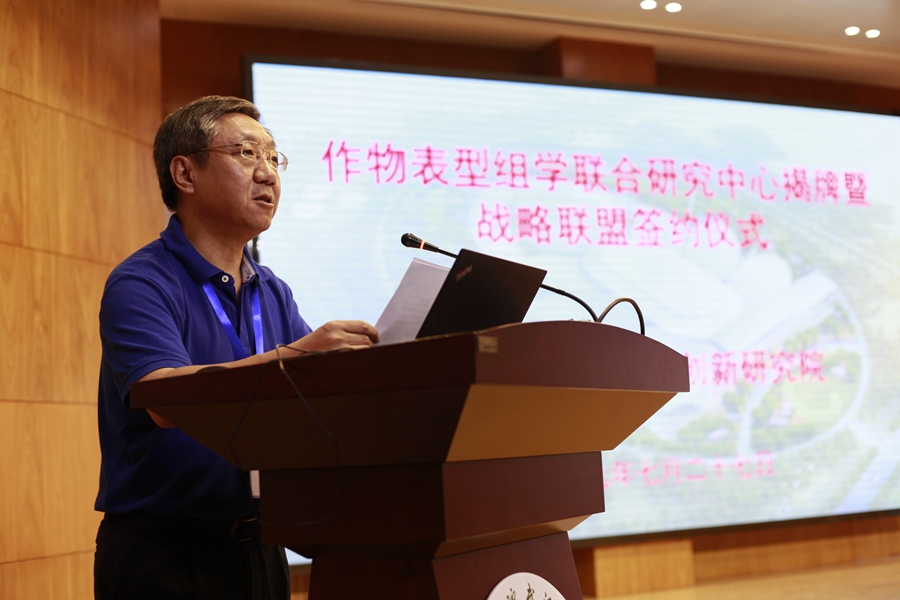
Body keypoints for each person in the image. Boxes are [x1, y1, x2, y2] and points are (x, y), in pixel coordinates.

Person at [93, 95, 379, 599]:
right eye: (246, 153)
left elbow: (316, 399)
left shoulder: (272, 290)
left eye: (273, 157)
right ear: (185, 174)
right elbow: (162, 399)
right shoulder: (142, 282)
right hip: (166, 555)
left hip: (263, 547)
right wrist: (297, 356)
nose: (268, 173)